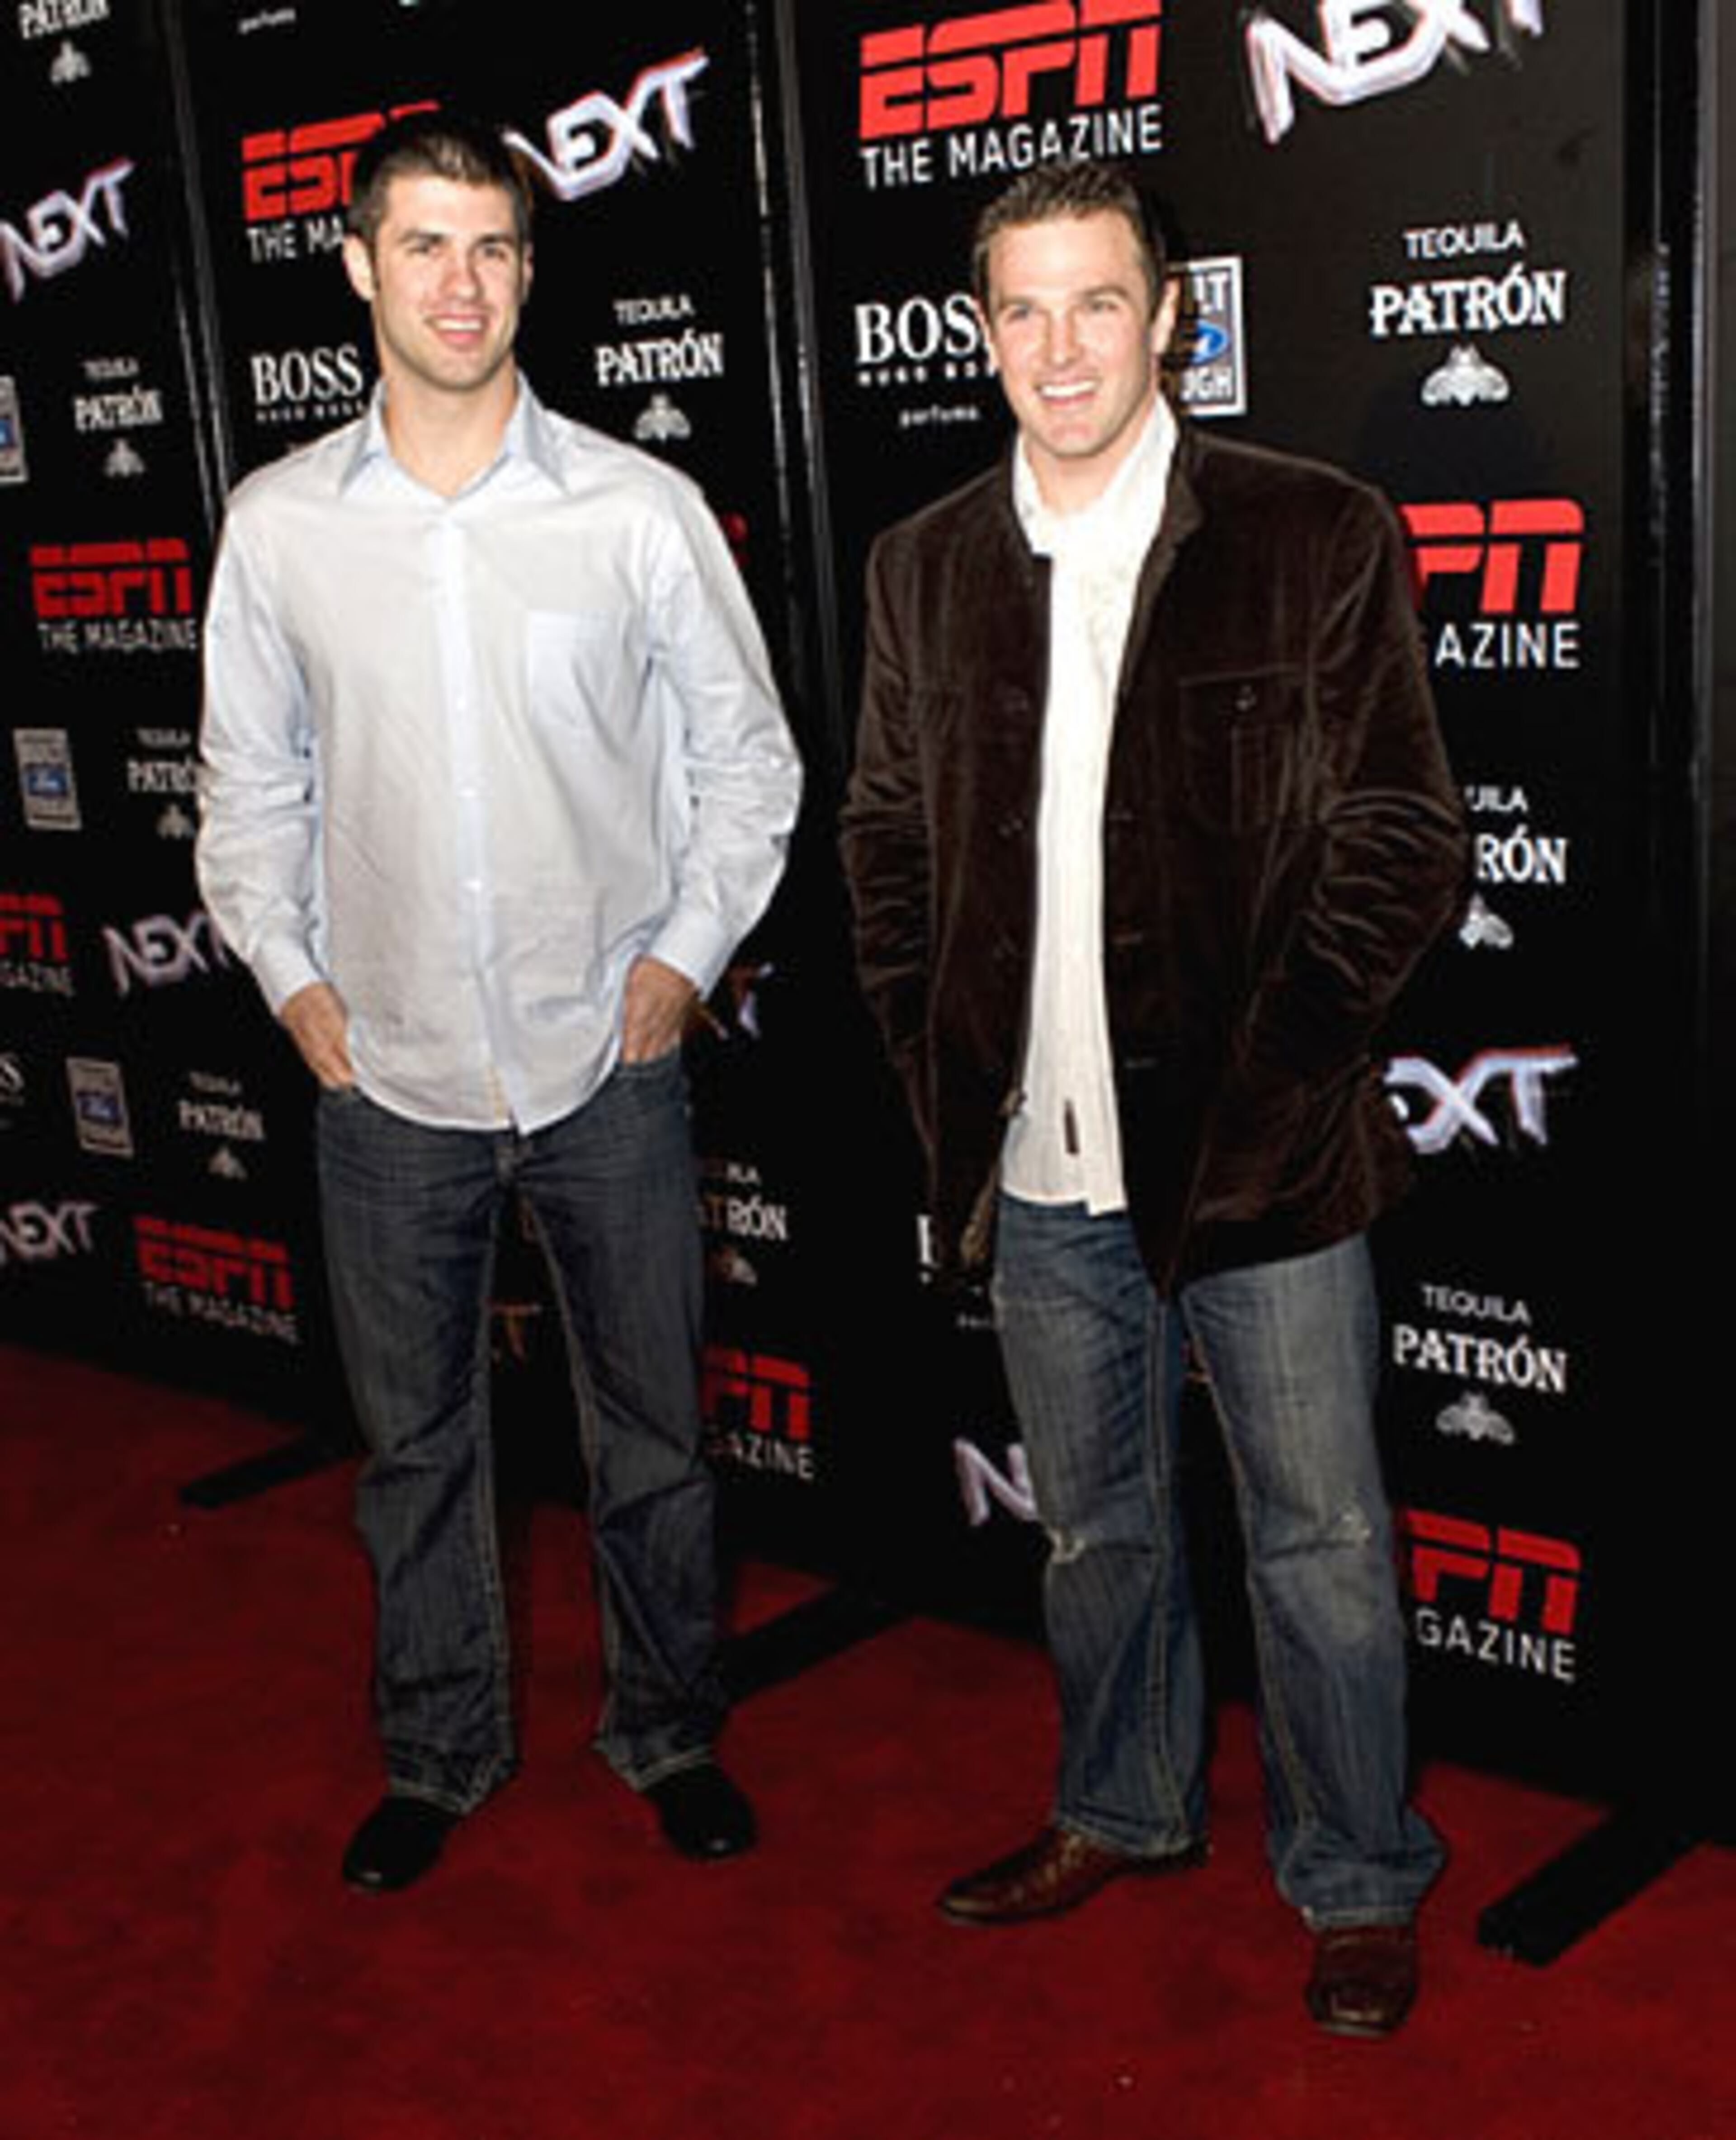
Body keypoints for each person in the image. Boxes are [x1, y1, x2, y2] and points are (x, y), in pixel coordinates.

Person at [839, 160, 1465, 2038]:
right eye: (1020, 309)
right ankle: (1123, 1803)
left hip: (1268, 1163)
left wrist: (1278, 1070)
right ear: (978, 332)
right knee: (1097, 1525)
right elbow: (884, 837)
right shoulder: (924, 562)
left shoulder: (1312, 529)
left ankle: (1356, 1876)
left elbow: (1402, 837)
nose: (1059, 347)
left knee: (1326, 1539)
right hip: (1036, 1165)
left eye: (1095, 302)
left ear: (1172, 311)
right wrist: (924, 1037)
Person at [196, 111, 802, 1895]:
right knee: (417, 1446)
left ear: (531, 269)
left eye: (496, 248)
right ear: (360, 265)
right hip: (383, 1065)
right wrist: (293, 976)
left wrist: (687, 950)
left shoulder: (635, 505)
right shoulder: (281, 526)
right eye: (429, 246)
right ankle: (440, 1747)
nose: (464, 284)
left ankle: (670, 1724)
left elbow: (744, 763)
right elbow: (248, 786)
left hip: (605, 1057)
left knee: (655, 1432)